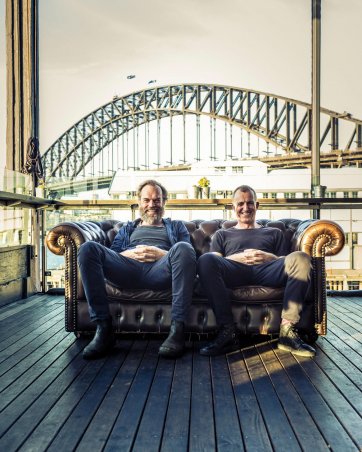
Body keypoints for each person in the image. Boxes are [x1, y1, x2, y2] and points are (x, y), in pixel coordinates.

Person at [78, 179, 196, 360]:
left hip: (160, 271)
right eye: (147, 200)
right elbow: (114, 254)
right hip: (127, 270)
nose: (152, 205)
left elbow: (187, 254)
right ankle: (104, 329)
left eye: (157, 200)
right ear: (139, 202)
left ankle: (177, 330)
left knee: (183, 248)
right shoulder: (127, 228)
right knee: (88, 249)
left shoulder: (176, 226)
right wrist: (131, 253)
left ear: (164, 201)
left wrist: (160, 254)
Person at [197, 184, 316, 358]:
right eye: (240, 204)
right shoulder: (223, 234)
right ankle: (227, 331)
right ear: (233, 208)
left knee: (301, 258)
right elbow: (214, 260)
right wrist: (239, 257)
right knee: (205, 260)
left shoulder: (274, 232)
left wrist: (269, 257)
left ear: (257, 206)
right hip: (234, 271)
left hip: (267, 270)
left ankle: (287, 332)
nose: (246, 208)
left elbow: (287, 261)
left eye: (250, 203)